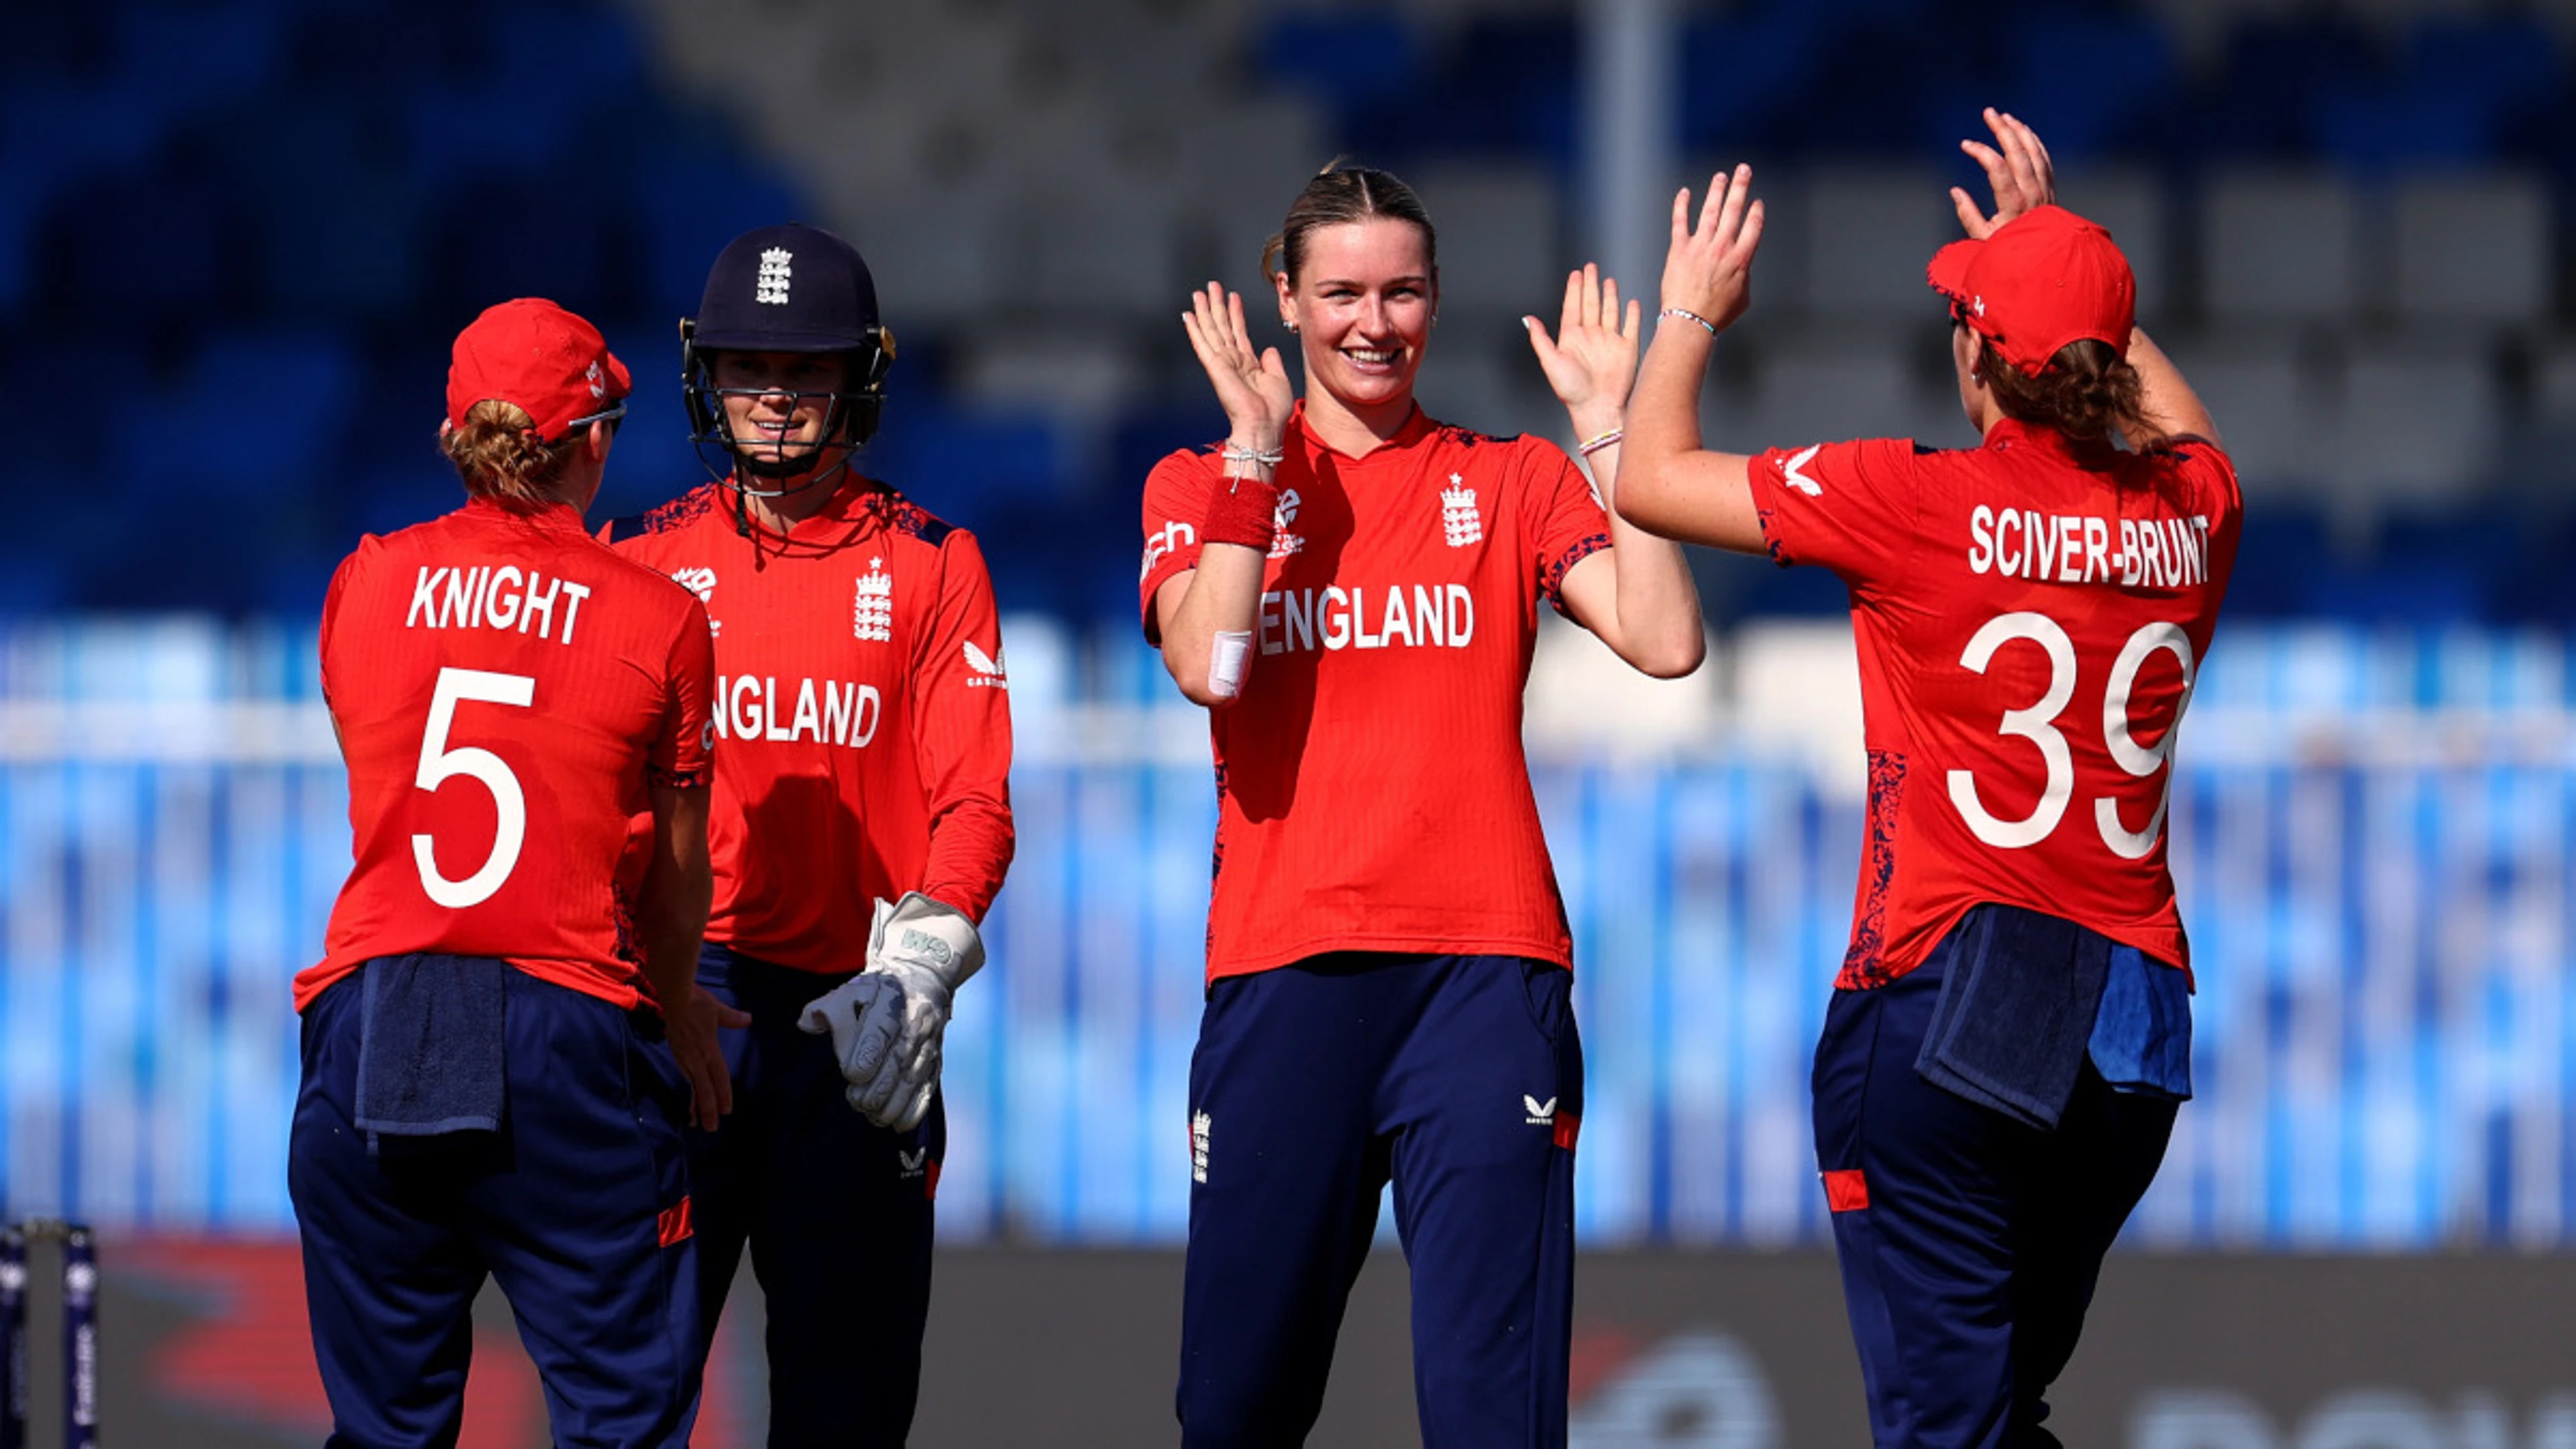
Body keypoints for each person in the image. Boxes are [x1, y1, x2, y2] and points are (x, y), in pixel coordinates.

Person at [1616, 112, 2239, 1446]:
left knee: (1945, 1426)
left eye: (1967, 320)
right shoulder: (2200, 511)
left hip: (1957, 991)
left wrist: (1687, 312)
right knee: (2002, 1409)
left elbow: (1656, 480)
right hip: (2131, 1025)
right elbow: (2179, 423)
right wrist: (2064, 272)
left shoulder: (1917, 500)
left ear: (1982, 357)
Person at [1142, 162, 1705, 1446]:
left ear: (1437, 301)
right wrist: (1252, 457)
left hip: (1482, 980)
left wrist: (1615, 432)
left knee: (1491, 1416)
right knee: (1235, 1412)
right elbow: (1206, 666)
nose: (1371, 323)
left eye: (1401, 292)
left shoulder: (1511, 478)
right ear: (1285, 300)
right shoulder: (1198, 486)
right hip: (1285, 973)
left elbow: (1668, 640)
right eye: (1340, 291)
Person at [290, 297, 742, 1448]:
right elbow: (681, 869)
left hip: (377, 1014)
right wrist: (679, 1004)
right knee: (620, 1421)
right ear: (592, 439)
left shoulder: (366, 580)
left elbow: (381, 779)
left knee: (385, 1429)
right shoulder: (660, 619)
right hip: (564, 1026)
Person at [605, 221, 1016, 1446]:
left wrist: (921, 969)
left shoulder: (938, 565)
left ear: (863, 380)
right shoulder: (639, 560)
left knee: (847, 1413)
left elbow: (975, 802)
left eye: (807, 372)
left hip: (861, 1015)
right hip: (690, 1010)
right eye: (747, 369)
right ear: (704, 375)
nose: (775, 399)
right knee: (630, 1403)